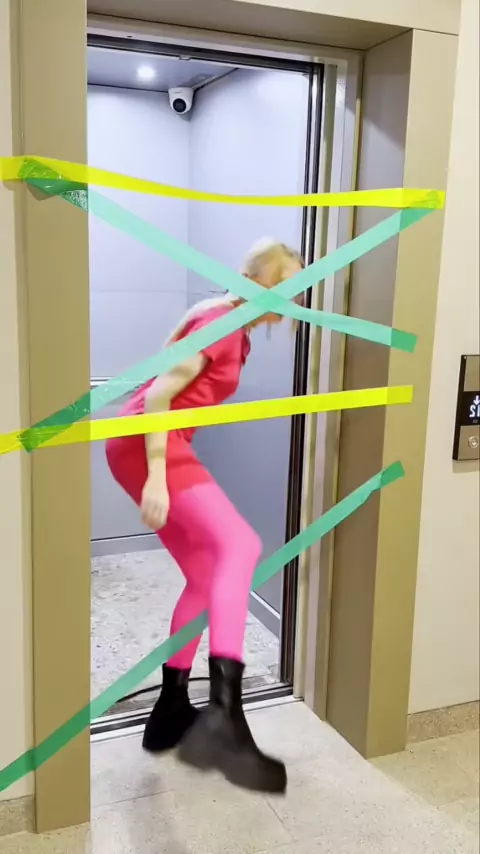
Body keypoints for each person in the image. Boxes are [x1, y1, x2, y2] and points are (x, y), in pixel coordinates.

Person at [106, 238, 304, 795]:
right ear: (256, 280)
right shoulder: (221, 323)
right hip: (148, 443)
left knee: (204, 574)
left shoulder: (233, 325)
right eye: (284, 283)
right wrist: (155, 475)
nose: (292, 298)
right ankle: (225, 719)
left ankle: (171, 708)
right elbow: (156, 398)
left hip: (151, 443)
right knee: (240, 546)